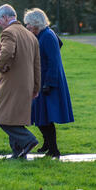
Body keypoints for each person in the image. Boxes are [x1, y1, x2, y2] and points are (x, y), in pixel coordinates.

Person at [0, 4, 41, 159]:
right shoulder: (30, 35)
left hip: (12, 83)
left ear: (6, 17)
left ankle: (29, 140)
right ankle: (18, 153)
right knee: (15, 119)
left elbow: (7, 51)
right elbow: (37, 64)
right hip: (27, 84)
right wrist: (36, 87)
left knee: (2, 117)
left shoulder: (8, 33)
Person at [24, 8, 74, 159]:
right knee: (39, 116)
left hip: (48, 83)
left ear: (36, 24)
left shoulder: (47, 37)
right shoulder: (44, 34)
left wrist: (49, 84)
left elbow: (54, 62)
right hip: (42, 80)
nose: (27, 27)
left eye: (28, 25)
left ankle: (54, 150)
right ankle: (47, 144)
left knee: (45, 118)